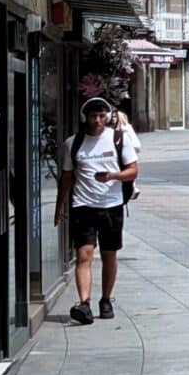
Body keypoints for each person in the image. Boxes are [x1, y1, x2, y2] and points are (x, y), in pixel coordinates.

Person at [55, 93, 140, 324]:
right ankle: (84, 304)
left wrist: (113, 175)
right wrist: (60, 204)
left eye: (102, 116)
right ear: (85, 117)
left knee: (109, 254)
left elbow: (133, 170)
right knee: (84, 254)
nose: (98, 120)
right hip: (83, 205)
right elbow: (67, 176)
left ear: (108, 117)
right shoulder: (73, 143)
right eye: (93, 116)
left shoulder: (119, 139)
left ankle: (105, 299)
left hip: (111, 205)